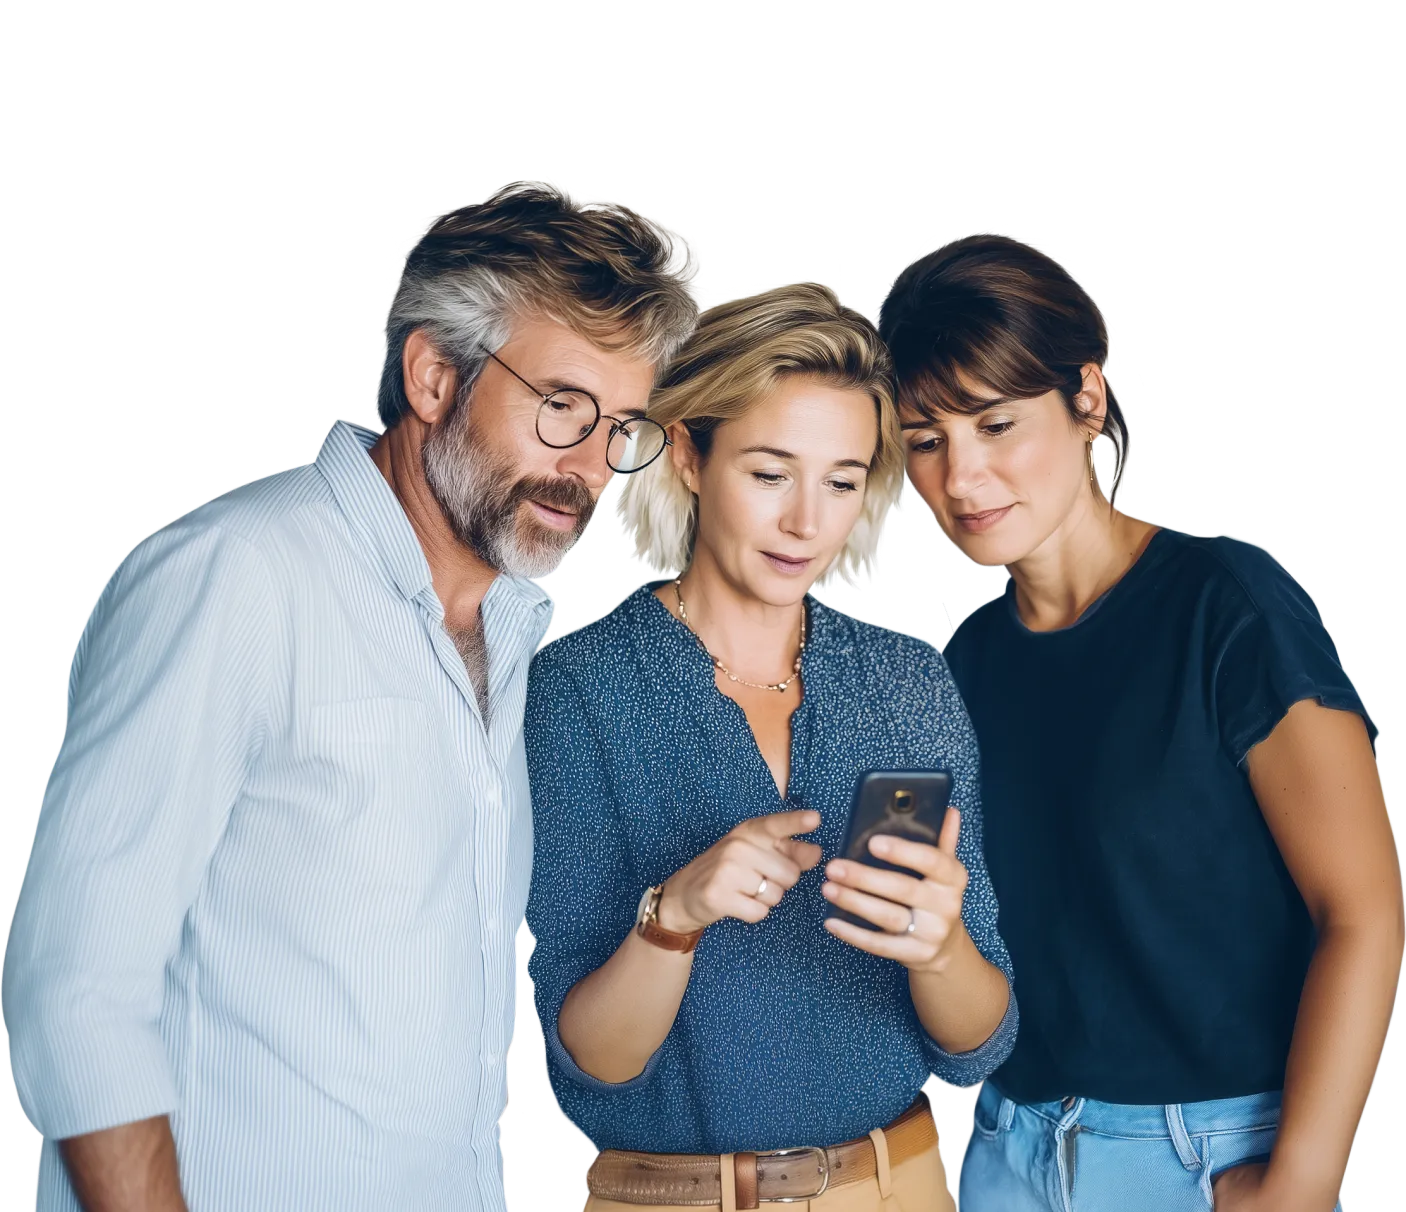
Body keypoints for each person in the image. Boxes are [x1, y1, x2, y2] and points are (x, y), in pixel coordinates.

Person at [1, 181, 703, 1212]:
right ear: (431, 375)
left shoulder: (517, 627)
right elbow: (78, 990)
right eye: (560, 407)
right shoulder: (237, 576)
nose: (589, 465)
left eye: (619, 427)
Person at [876, 232, 1403, 1212]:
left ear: (1085, 399)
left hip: (1204, 1153)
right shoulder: (968, 664)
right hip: (1006, 1150)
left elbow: (1362, 909)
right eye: (925, 440)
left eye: (994, 424)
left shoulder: (1224, 605)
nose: (959, 478)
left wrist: (1299, 1179)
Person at [523, 280, 1017, 1212]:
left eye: (840, 482)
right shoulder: (582, 689)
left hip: (896, 1186)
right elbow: (591, 1061)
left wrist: (940, 948)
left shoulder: (907, 683)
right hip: (668, 1198)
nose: (807, 523)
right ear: (692, 455)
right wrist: (677, 912)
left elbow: (979, 1044)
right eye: (769, 472)